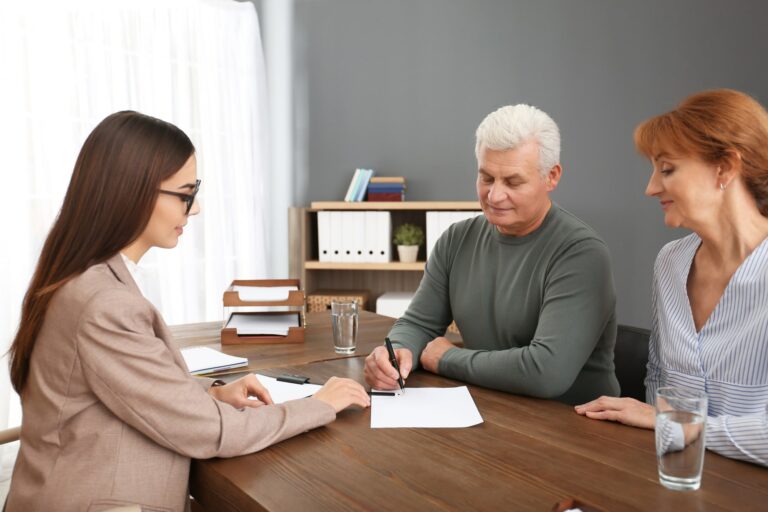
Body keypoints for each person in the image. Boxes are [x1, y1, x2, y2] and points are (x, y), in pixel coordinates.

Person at [5, 111, 370, 511]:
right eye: (185, 194)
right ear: (133, 191)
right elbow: (215, 433)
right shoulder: (105, 304)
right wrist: (319, 404)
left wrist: (210, 392)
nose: (193, 210)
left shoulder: (77, 275)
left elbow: (119, 384)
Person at [364, 104, 619, 405]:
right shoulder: (457, 239)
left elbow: (546, 372)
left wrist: (447, 359)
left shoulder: (581, 253)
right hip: (492, 409)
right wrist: (397, 353)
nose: (494, 196)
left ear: (551, 177)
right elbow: (418, 324)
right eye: (486, 178)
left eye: (513, 182)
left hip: (574, 429)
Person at [575, 89, 768, 467]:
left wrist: (671, 425)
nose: (650, 187)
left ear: (725, 167)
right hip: (673, 483)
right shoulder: (670, 262)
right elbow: (659, 381)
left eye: (667, 169)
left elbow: (661, 419)